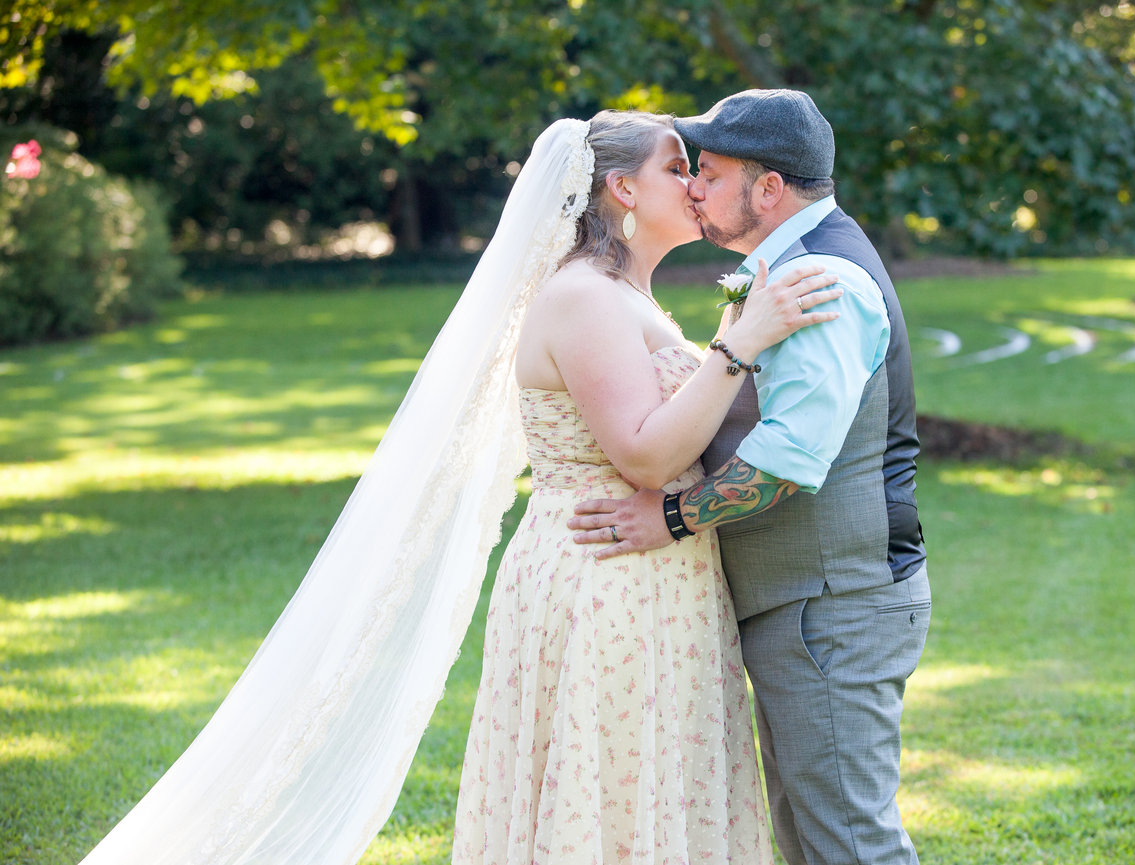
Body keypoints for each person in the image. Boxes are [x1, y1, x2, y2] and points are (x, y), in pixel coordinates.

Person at [75, 110, 839, 865]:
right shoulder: (583, 297)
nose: (697, 183)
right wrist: (738, 343)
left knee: (658, 788)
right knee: (608, 794)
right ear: (622, 190)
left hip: (662, 574)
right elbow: (641, 455)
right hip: (601, 580)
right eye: (677, 167)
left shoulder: (627, 296)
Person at [568, 89, 931, 865]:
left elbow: (792, 457)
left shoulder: (820, 283)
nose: (694, 187)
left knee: (853, 842)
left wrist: (667, 518)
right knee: (811, 838)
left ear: (768, 189)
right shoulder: (779, 273)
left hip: (832, 602)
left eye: (711, 171)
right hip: (806, 604)